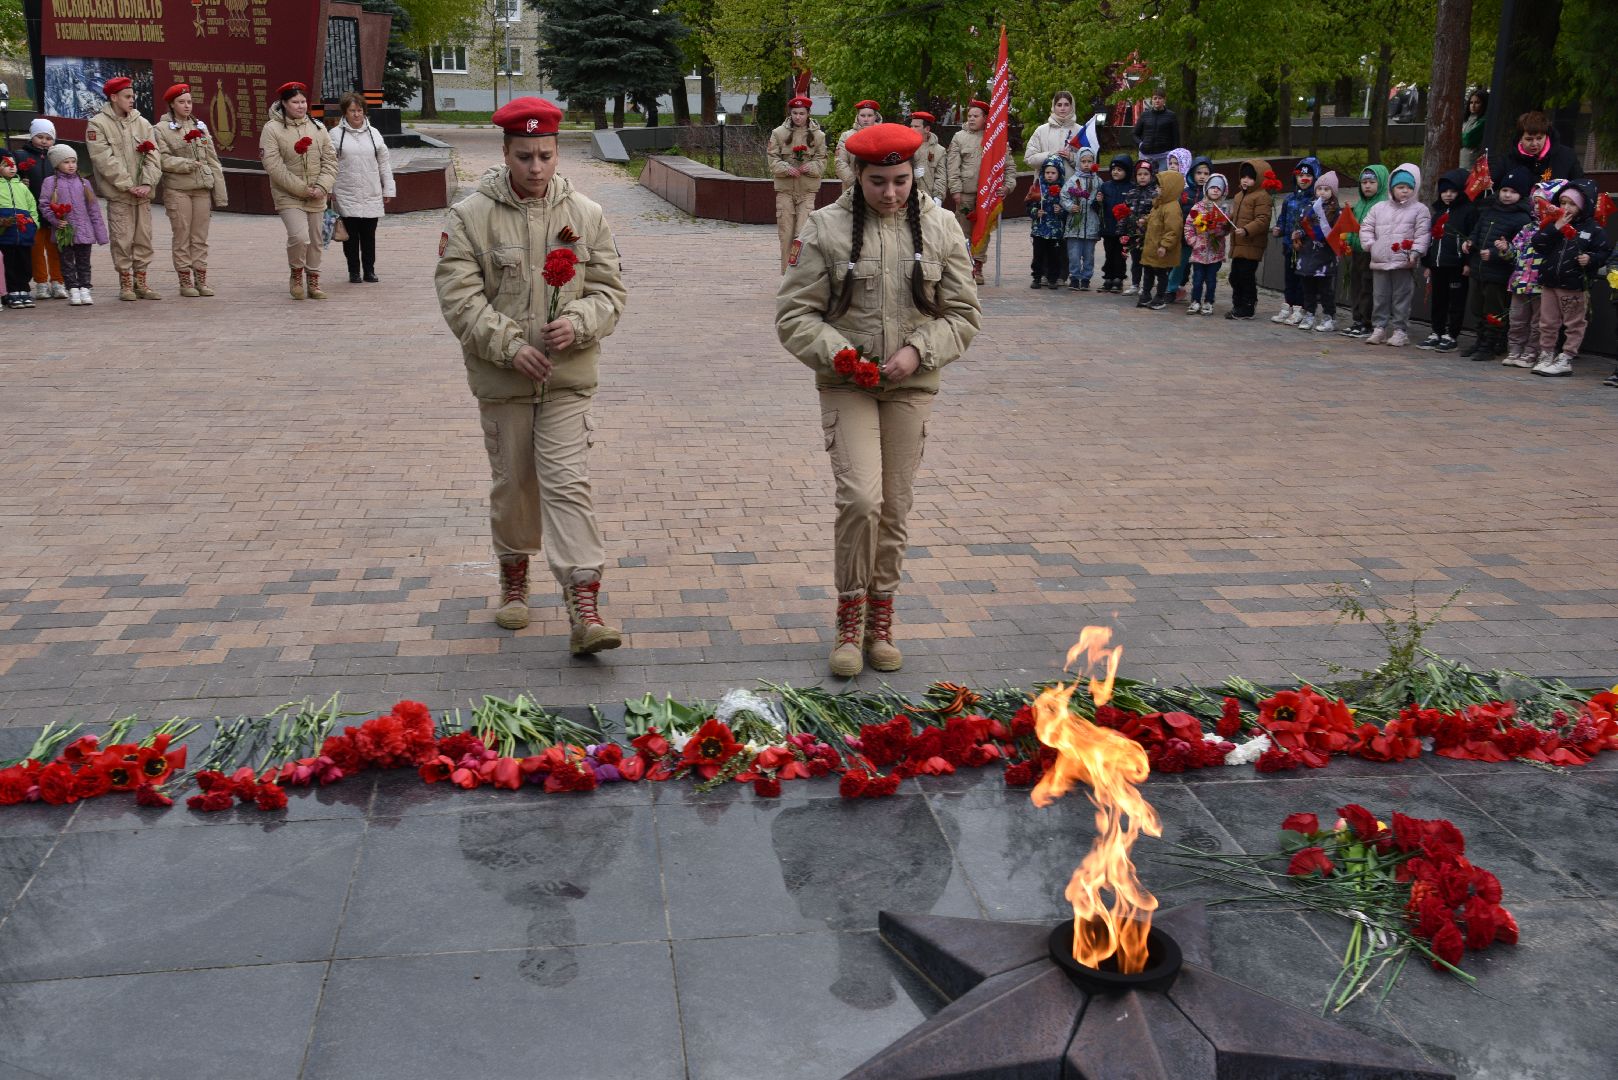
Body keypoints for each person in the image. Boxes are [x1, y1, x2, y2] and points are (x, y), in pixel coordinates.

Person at [775, 122, 981, 678]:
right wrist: (841, 355)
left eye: (900, 180)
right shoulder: (825, 228)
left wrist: (919, 350)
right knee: (860, 500)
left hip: (910, 385)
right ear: (855, 176)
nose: (891, 193)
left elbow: (963, 315)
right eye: (878, 182)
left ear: (914, 174)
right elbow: (794, 316)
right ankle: (849, 613)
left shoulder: (940, 227)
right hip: (848, 385)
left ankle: (881, 618)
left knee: (894, 506)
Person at [434, 97, 628, 654]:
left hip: (567, 379)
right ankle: (514, 575)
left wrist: (579, 321)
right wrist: (510, 346)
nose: (537, 167)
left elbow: (610, 292)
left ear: (558, 151)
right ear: (506, 153)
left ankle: (584, 602)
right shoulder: (470, 216)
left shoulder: (586, 214)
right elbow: (459, 299)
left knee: (567, 483)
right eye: (525, 156)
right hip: (506, 380)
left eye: (545, 155)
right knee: (515, 483)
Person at [86, 76, 162, 302]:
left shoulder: (143, 123)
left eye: (133, 96)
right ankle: (126, 283)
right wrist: (129, 185)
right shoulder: (98, 124)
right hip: (120, 194)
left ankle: (141, 282)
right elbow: (104, 160)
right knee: (122, 238)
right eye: (127, 97)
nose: (132, 100)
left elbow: (154, 156)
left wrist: (147, 183)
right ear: (113, 97)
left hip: (143, 194)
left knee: (144, 238)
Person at [259, 81, 338, 300]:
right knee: (299, 236)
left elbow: (330, 160)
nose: (301, 106)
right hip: (289, 194)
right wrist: (303, 189)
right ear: (284, 103)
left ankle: (313, 279)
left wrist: (322, 186)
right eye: (295, 102)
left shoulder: (318, 127)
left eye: (303, 101)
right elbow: (273, 166)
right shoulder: (272, 129)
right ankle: (296, 273)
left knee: (315, 239)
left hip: (317, 193)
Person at [1529, 179, 1610, 377]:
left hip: (1573, 285)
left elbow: (1603, 252)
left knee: (1574, 322)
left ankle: (1566, 357)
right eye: (1563, 202)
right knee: (1547, 321)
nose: (1566, 207)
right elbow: (1538, 244)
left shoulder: (1593, 229)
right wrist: (1555, 227)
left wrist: (1590, 259)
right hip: (1550, 282)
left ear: (1584, 205)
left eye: (1572, 204)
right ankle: (1546, 353)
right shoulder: (1554, 222)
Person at [154, 83, 228, 297]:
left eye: (189, 102)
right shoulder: (161, 129)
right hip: (178, 189)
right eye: (181, 102)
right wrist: (186, 164)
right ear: (171, 104)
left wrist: (220, 192)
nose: (187, 106)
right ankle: (185, 281)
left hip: (201, 189)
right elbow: (162, 158)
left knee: (200, 236)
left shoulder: (200, 127)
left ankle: (201, 279)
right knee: (182, 235)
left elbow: (213, 159)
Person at [1465, 167, 1533, 364]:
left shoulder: (1522, 217)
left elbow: (1518, 247)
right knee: (1478, 308)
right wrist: (1470, 241)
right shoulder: (1488, 210)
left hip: (1499, 272)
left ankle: (1492, 344)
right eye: (1504, 190)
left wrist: (1495, 253)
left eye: (1513, 192)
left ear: (1520, 195)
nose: (1507, 195)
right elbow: (1477, 231)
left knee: (1494, 309)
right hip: (1479, 269)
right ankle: (1480, 340)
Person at [945, 99, 1015, 286]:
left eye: (977, 116)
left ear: (986, 118)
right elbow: (952, 167)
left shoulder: (996, 138)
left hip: (988, 196)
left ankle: (978, 266)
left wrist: (1007, 186)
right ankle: (964, 266)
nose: (972, 119)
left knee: (983, 232)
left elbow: (1009, 167)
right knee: (963, 232)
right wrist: (956, 190)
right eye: (970, 116)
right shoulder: (959, 137)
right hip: (966, 193)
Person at [1359, 162, 1430, 347]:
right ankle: (1379, 328)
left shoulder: (1420, 210)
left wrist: (1415, 251)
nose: (1404, 191)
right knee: (1380, 295)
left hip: (1403, 261)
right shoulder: (1379, 208)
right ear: (1392, 188)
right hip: (1380, 259)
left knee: (1401, 297)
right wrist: (1370, 245)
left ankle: (1400, 330)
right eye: (1400, 187)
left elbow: (1423, 233)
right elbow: (1366, 226)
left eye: (1408, 187)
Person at [330, 92, 396, 284]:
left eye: (359, 110)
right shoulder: (335, 135)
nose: (356, 115)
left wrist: (388, 189)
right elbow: (329, 164)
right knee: (350, 236)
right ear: (345, 112)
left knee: (369, 235)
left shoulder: (374, 134)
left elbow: (384, 163)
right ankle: (353, 271)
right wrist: (329, 189)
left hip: (371, 191)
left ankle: (369, 270)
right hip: (346, 191)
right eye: (352, 111)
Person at [39, 144, 108, 306]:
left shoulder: (84, 183)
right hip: (64, 232)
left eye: (73, 161)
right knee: (67, 263)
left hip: (84, 231)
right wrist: (56, 221)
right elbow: (44, 205)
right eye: (66, 162)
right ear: (57, 164)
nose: (71, 165)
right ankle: (73, 290)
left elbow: (94, 210)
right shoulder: (50, 183)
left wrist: (100, 234)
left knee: (84, 263)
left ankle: (85, 289)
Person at [768, 95, 829, 273]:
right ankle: (787, 275)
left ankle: (799, 275)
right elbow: (772, 159)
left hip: (807, 191)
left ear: (808, 114)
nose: (798, 117)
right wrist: (786, 168)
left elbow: (822, 161)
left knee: (802, 235)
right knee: (786, 234)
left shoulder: (818, 136)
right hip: (785, 191)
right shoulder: (778, 133)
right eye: (794, 113)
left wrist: (810, 167)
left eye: (802, 113)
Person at [1418, 169, 1475, 352]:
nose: (1448, 195)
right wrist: (1427, 263)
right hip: (1437, 264)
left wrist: (1468, 262)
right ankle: (1437, 331)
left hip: (1457, 265)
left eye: (1452, 191)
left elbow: (1472, 238)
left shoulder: (1468, 212)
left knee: (1456, 301)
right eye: (1444, 191)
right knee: (1438, 300)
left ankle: (1452, 334)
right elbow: (1430, 239)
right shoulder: (1438, 212)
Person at [1503, 188, 1552, 369]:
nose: (1538, 207)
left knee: (1537, 322)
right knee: (1517, 318)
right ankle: (1515, 349)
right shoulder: (1527, 228)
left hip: (1540, 285)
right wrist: (1505, 249)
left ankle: (1532, 351)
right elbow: (1515, 252)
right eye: (1535, 203)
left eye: (1543, 203)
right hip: (1520, 282)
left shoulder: (1554, 228)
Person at [17, 119, 66, 301]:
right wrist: (20, 181)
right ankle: (41, 283)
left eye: (48, 138)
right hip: (33, 211)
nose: (44, 141)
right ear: (32, 137)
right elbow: (12, 176)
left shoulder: (57, 156)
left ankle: (58, 281)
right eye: (40, 137)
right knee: (36, 249)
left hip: (55, 212)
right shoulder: (21, 156)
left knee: (56, 248)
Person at [1339, 166, 1388, 337]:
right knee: (1357, 286)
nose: (1367, 186)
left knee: (1368, 287)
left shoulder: (1382, 205)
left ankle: (1368, 322)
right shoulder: (1360, 204)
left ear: (1380, 184)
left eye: (1372, 182)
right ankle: (1357, 319)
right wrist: (1349, 242)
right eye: (1364, 182)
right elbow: (1354, 226)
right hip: (1357, 251)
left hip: (1371, 252)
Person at [1291, 170, 1342, 332]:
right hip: (1307, 254)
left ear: (1333, 191)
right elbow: (1302, 224)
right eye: (1320, 189)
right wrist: (1298, 234)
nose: (1322, 192)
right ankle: (1310, 313)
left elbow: (1337, 232)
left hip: (1325, 256)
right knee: (1308, 287)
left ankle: (1329, 316)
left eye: (1327, 189)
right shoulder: (1309, 206)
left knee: (1325, 289)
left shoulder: (1336, 211)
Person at [1271, 156, 1319, 324]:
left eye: (1308, 176)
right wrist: (1279, 229)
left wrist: (1302, 234)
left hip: (1305, 248)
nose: (1303, 179)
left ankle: (1301, 307)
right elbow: (1283, 219)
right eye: (1300, 176)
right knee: (1289, 277)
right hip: (1288, 245)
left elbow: (1315, 224)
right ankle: (1289, 305)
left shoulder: (1315, 201)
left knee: (1302, 280)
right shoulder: (1289, 199)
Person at [1224, 159, 1274, 320]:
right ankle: (1237, 305)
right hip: (1238, 243)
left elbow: (1262, 220)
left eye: (1250, 177)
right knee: (1234, 276)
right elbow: (1235, 216)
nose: (1245, 180)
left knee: (1246, 275)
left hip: (1251, 243)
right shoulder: (1239, 196)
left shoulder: (1262, 196)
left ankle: (1248, 305)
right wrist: (1226, 224)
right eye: (1243, 177)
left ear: (1259, 179)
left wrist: (1246, 230)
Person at [1183, 172, 1230, 316]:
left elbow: (1226, 229)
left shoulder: (1224, 209)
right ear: (1206, 189)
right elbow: (1189, 226)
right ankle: (1195, 301)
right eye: (1212, 187)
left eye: (1219, 188)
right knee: (1197, 279)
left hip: (1215, 253)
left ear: (1223, 191)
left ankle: (1209, 302)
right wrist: (1193, 241)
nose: (1215, 190)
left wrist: (1219, 228)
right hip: (1199, 251)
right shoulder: (1198, 207)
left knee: (1211, 280)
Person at [1165, 154, 1211, 303]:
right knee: (1179, 264)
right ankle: (1171, 289)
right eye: (1199, 173)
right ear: (1192, 173)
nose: (1202, 177)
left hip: (1204, 239)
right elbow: (1178, 212)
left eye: (1206, 173)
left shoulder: (1211, 193)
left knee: (1200, 268)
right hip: (1185, 237)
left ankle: (1199, 295)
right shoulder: (1184, 192)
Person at [1138, 167, 1184, 310]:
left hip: (1160, 248)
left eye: (1160, 186)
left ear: (1169, 188)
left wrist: (1165, 245)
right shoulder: (1159, 203)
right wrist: (1144, 221)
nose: (1157, 189)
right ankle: (1146, 294)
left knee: (1161, 273)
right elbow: (1153, 218)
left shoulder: (1172, 208)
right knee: (1148, 271)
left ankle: (1160, 297)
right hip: (1151, 246)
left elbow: (1173, 230)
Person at [1059, 145, 1103, 290]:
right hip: (1074, 225)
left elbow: (1102, 199)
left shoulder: (1097, 181)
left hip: (1091, 224)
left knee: (1089, 255)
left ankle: (1086, 278)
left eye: (1089, 162)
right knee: (1074, 254)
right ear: (1078, 162)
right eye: (1083, 161)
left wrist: (1099, 200)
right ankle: (1074, 277)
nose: (1086, 164)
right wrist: (1070, 206)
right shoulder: (1073, 180)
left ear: (1093, 163)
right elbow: (1064, 195)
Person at [0, 150, 39, 308]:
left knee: (25, 262)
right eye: (6, 165)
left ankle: (24, 289)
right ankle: (12, 291)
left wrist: (34, 224)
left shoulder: (22, 187)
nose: (12, 168)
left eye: (13, 164)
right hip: (6, 233)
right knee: (9, 262)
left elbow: (32, 206)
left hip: (24, 233)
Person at [1502, 110, 1582, 184]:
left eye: (1539, 138)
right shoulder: (1508, 160)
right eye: (1529, 139)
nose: (1534, 143)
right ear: (1520, 139)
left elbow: (1579, 186)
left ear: (1547, 136)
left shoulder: (1567, 156)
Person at [1026, 156, 1066, 288]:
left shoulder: (1064, 189)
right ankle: (1037, 277)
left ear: (1059, 173)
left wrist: (1060, 210)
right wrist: (1035, 212)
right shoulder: (1037, 188)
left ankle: (1053, 278)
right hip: (1039, 229)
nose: (1049, 176)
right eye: (1047, 173)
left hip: (1055, 230)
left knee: (1054, 256)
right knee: (1038, 255)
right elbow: (1028, 205)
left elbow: (1068, 208)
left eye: (1053, 173)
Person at [1096, 153, 1134, 292]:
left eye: (1120, 170)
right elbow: (1098, 208)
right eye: (1114, 169)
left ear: (1127, 171)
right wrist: (1098, 201)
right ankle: (1108, 277)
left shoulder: (1131, 188)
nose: (1116, 172)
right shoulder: (1105, 186)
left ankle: (1118, 278)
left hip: (1124, 230)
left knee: (1121, 255)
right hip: (1109, 227)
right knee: (1109, 253)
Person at [1120, 158, 1158, 296]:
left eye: (1146, 174)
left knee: (1147, 261)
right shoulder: (1131, 193)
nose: (1142, 177)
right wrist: (1123, 230)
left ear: (1152, 176)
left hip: (1148, 233)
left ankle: (1147, 285)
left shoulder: (1155, 194)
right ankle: (1135, 284)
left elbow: (1156, 214)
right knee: (1135, 260)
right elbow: (1125, 212)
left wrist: (1146, 221)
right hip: (1133, 233)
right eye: (1139, 174)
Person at [1022, 91, 1081, 171]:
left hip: (1073, 182)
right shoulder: (1041, 130)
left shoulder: (1080, 130)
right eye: (1059, 105)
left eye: (1066, 105)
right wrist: (1050, 156)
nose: (1062, 108)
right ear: (1054, 106)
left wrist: (1072, 157)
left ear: (1072, 107)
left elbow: (1090, 160)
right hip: (1046, 183)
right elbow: (1029, 158)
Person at [835, 100, 881, 192]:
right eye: (862, 115)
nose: (866, 119)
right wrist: (855, 182)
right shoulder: (846, 136)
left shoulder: (883, 134)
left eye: (870, 115)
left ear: (875, 117)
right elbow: (840, 162)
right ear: (857, 117)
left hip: (878, 188)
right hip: (852, 188)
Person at [1132, 87, 1179, 172]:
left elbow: (1176, 137)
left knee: (1162, 181)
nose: (1157, 101)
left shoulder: (1171, 116)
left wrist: (1174, 155)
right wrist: (1140, 144)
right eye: (1155, 98)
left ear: (1164, 100)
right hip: (1145, 155)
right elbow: (1135, 134)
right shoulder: (1144, 115)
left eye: (1160, 98)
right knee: (1145, 179)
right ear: (1152, 100)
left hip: (1164, 156)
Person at [906, 111, 947, 204]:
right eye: (911, 126)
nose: (912, 129)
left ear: (927, 129)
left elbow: (940, 176)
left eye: (916, 127)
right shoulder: (905, 148)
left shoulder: (939, 150)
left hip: (929, 199)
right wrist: (912, 175)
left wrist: (938, 197)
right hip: (908, 197)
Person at [1459, 89, 1487, 172]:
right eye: (1471, 102)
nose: (1473, 105)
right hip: (1461, 160)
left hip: (1472, 163)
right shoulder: (1466, 120)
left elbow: (1468, 140)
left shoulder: (1483, 121)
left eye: (1477, 102)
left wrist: (1460, 138)